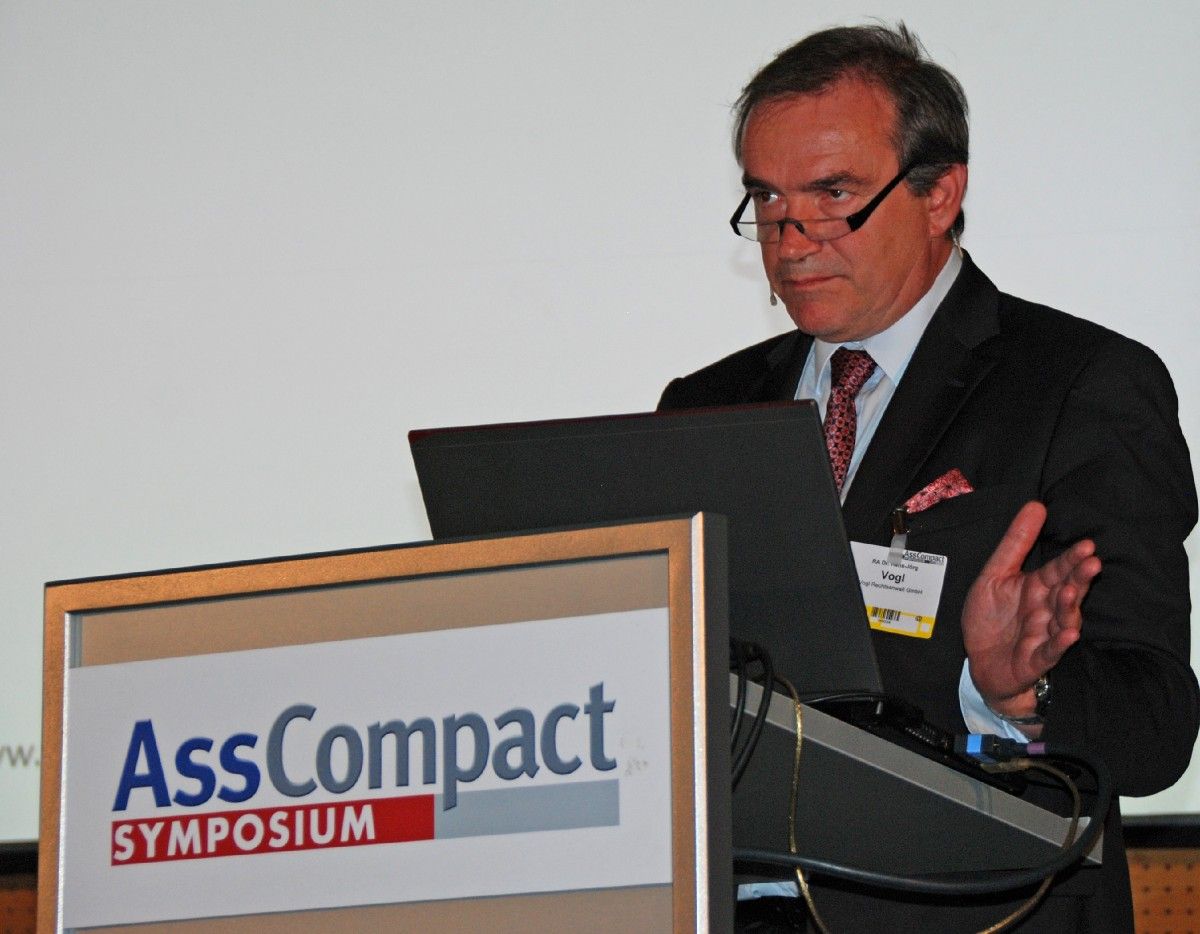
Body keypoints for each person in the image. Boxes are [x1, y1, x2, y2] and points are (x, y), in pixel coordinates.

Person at [658, 23, 1198, 933]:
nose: (790, 241)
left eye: (833, 195)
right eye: (767, 199)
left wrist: (1015, 692)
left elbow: (1155, 726)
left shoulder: (1081, 384)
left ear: (940, 192)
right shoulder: (704, 406)